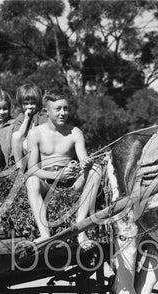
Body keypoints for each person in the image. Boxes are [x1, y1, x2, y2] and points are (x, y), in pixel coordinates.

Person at [25, 90, 101, 246]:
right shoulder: (35, 133)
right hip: (48, 186)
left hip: (72, 185)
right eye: (58, 109)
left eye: (66, 108)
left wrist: (85, 164)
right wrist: (57, 175)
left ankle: (81, 230)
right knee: (32, 181)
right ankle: (45, 234)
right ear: (46, 111)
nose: (63, 113)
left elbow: (83, 159)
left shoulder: (75, 132)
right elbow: (31, 169)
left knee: (96, 169)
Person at [11, 83, 44, 170]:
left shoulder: (42, 115)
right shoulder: (21, 117)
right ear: (21, 104)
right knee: (16, 136)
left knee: (28, 142)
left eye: (32, 103)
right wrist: (26, 119)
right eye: (26, 104)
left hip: (41, 150)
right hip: (25, 153)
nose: (29, 107)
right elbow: (18, 135)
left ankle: (35, 169)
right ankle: (19, 170)